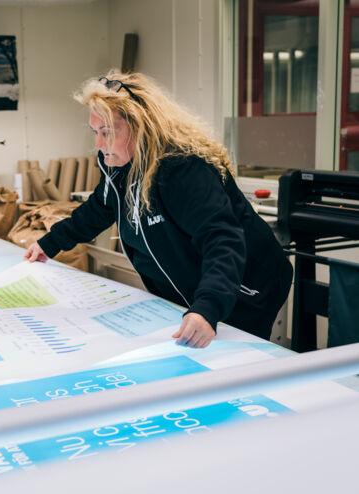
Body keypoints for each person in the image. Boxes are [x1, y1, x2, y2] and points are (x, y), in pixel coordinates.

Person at [25, 71, 293, 348]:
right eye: (95, 133)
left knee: (232, 359)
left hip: (244, 285)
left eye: (107, 132)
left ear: (141, 126)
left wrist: (207, 308)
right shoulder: (119, 164)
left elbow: (221, 239)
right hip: (199, 283)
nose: (99, 144)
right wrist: (51, 243)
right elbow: (101, 207)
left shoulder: (181, 168)